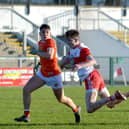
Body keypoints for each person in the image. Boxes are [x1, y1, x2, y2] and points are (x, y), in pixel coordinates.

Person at [14, 24, 81, 123]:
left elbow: (49, 55)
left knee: (61, 99)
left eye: (47, 32)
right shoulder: (40, 42)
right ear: (39, 33)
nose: (45, 34)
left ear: (50, 33)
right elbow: (44, 56)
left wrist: (36, 52)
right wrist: (39, 63)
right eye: (43, 32)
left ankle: (76, 109)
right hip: (43, 73)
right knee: (26, 90)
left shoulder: (51, 41)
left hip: (54, 75)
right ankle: (26, 115)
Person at [60, 29, 127, 113]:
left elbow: (93, 61)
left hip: (91, 77)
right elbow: (67, 61)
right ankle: (120, 96)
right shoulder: (72, 50)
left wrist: (80, 65)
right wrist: (61, 65)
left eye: (70, 41)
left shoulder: (83, 49)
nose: (68, 43)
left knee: (90, 108)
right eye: (67, 40)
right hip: (95, 76)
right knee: (111, 104)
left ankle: (114, 96)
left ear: (76, 40)